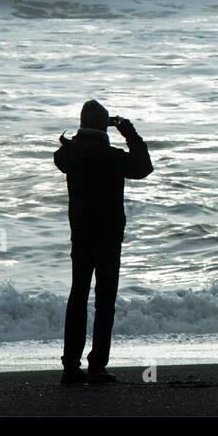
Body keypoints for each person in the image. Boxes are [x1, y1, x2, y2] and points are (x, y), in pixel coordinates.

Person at [54, 99, 152, 385]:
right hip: (108, 237)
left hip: (81, 235)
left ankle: (71, 367)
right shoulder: (112, 157)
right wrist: (127, 130)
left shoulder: (70, 155)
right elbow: (144, 166)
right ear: (104, 126)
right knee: (104, 302)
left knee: (78, 298)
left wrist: (84, 132)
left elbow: (64, 154)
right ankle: (97, 366)